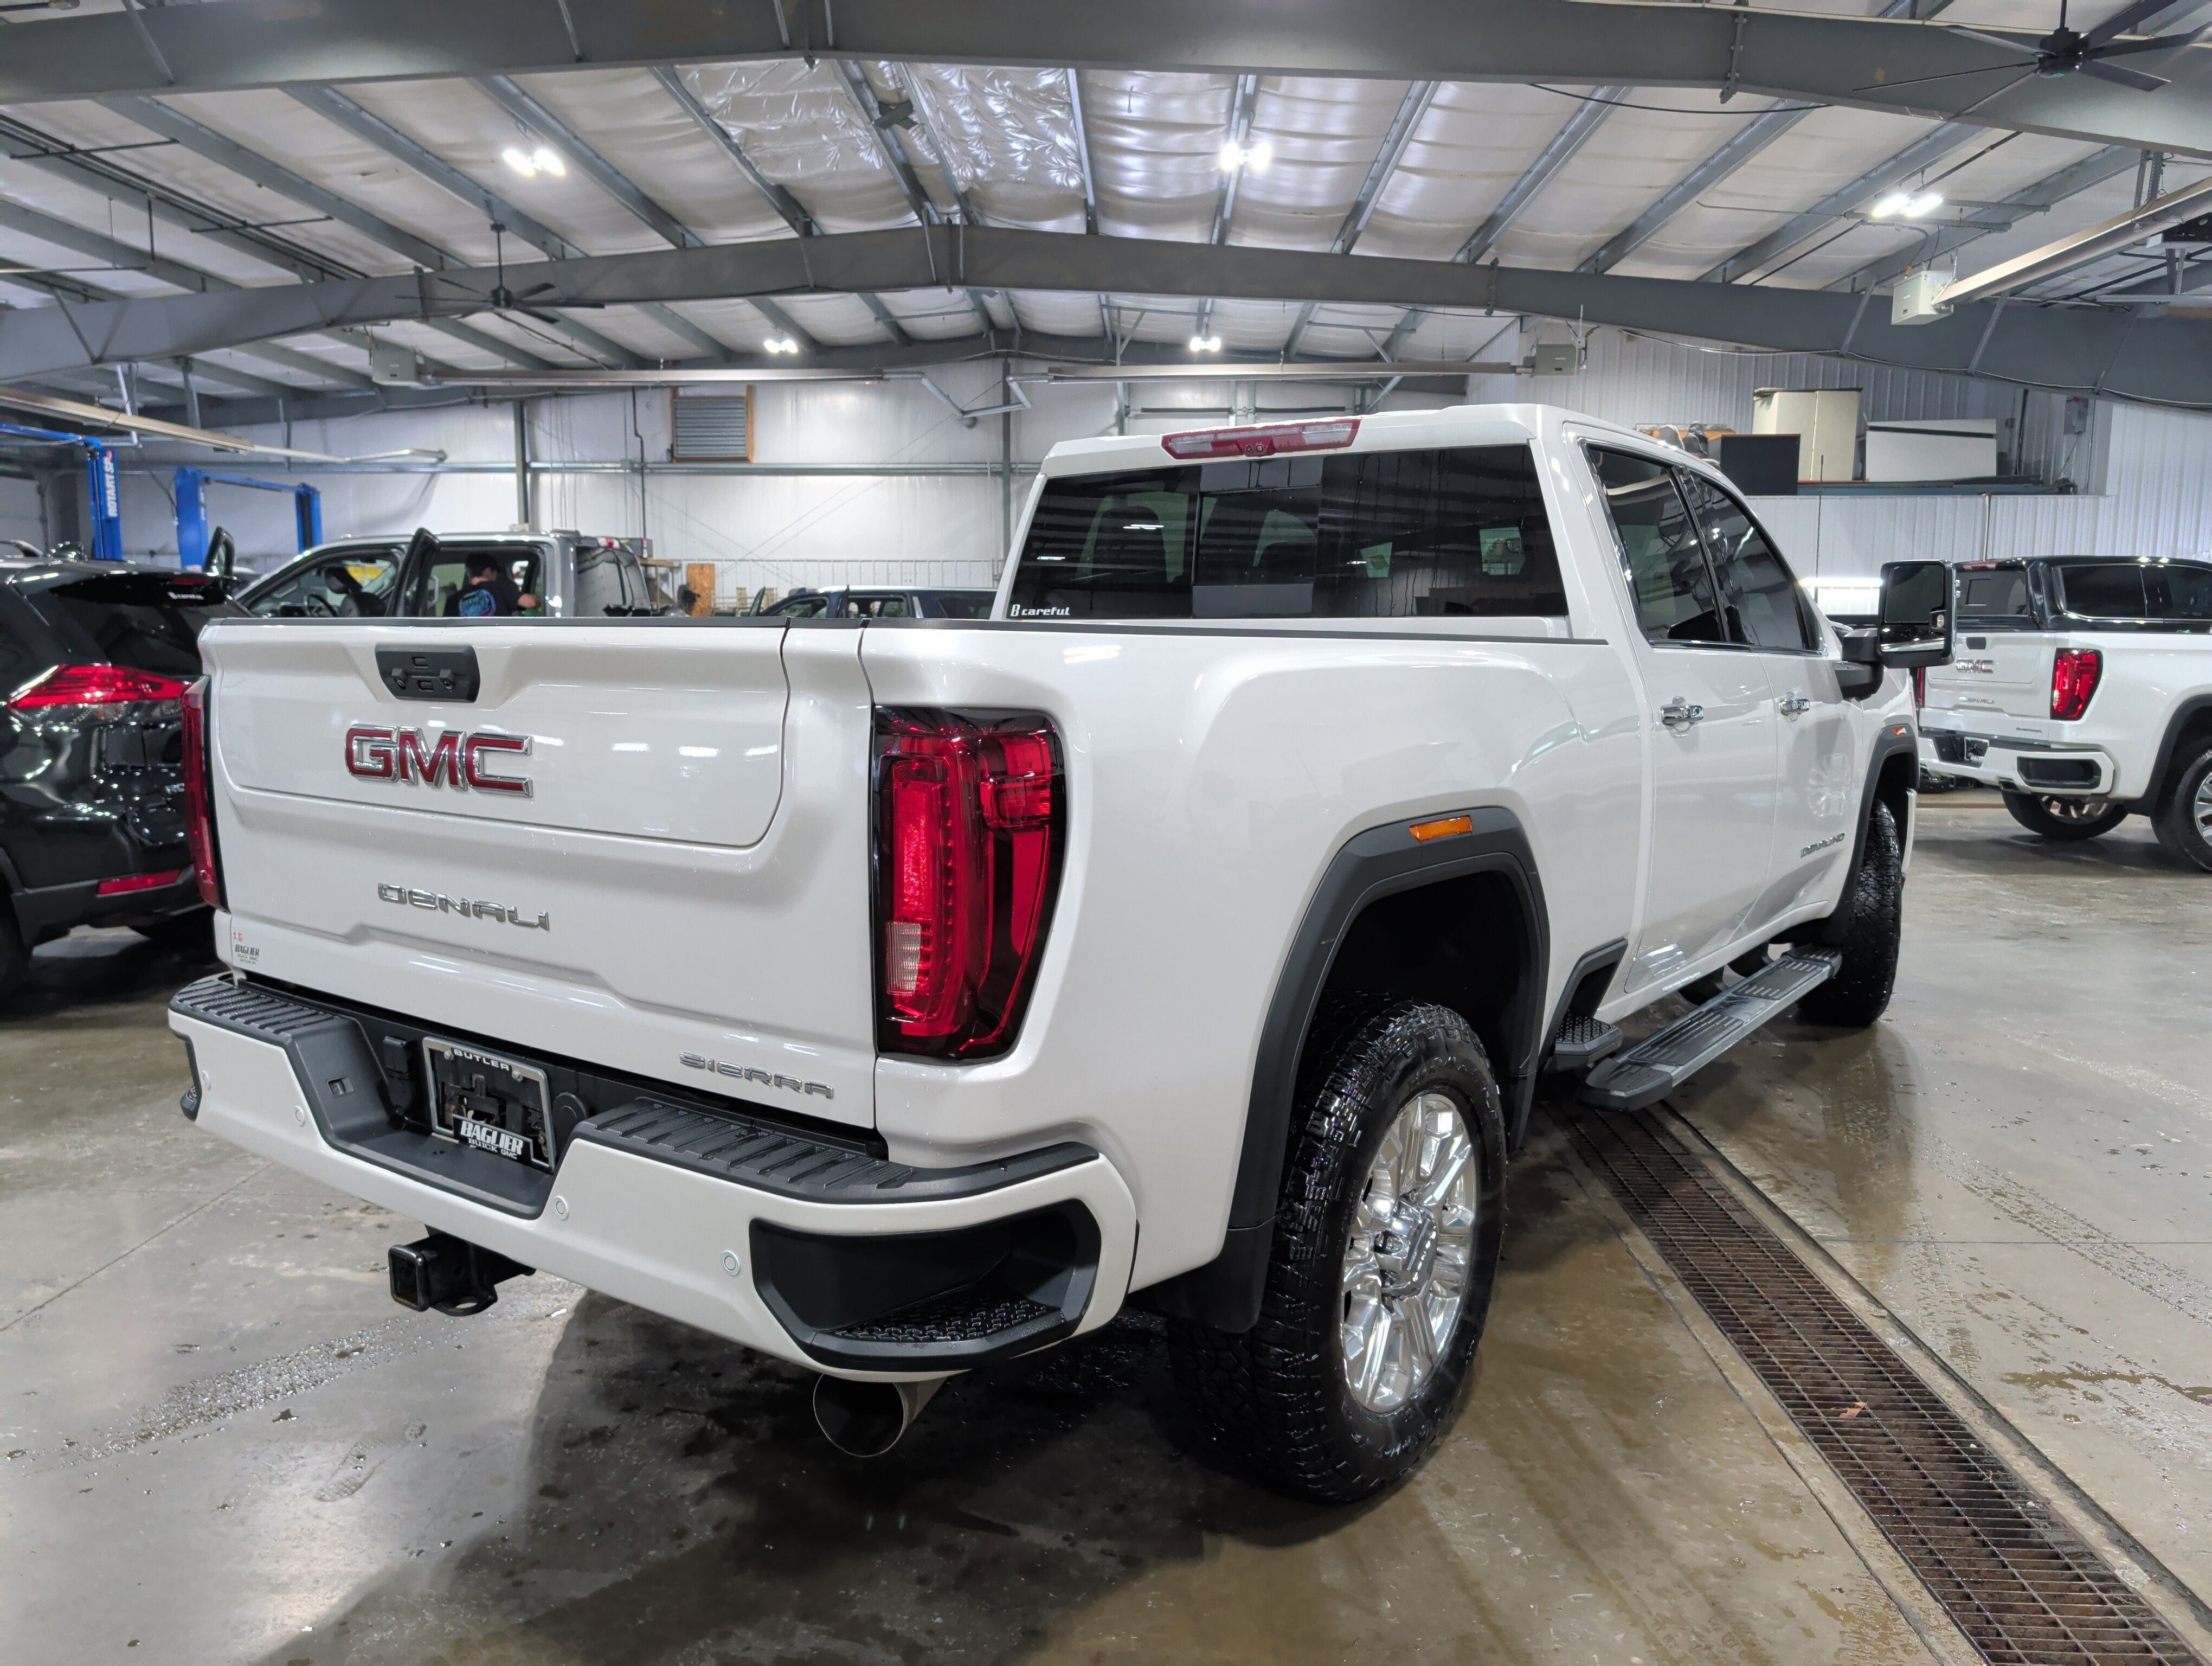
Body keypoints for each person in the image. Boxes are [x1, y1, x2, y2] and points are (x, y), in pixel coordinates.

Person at [445, 554, 525, 617]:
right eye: (496, 573)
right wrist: (536, 598)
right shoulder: (503, 590)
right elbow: (530, 603)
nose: (496, 577)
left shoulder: (453, 600)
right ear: (488, 571)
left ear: (469, 573)